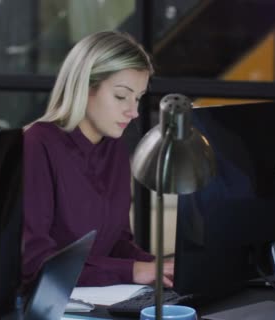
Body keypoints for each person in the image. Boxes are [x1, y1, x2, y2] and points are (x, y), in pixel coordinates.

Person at [22, 31, 174, 287]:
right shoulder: (37, 145)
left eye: (137, 98)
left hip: (95, 300)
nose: (134, 111)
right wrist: (133, 271)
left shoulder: (113, 146)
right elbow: (35, 262)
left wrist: (159, 267)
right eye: (120, 96)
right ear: (86, 87)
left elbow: (118, 243)